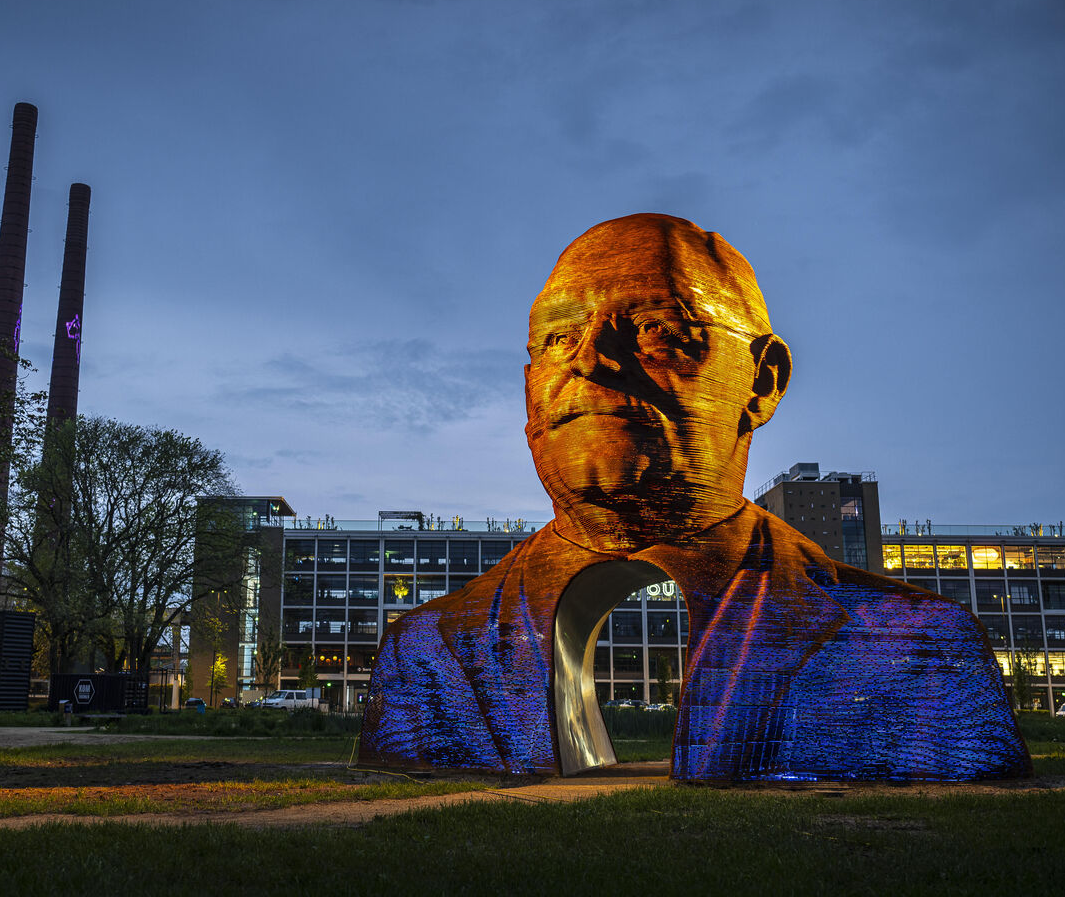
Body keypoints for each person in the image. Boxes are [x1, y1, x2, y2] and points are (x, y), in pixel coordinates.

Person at [358, 214, 1030, 781]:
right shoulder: (427, 649)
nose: (589, 360)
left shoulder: (915, 648)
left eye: (658, 329)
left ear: (762, 382)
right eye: (558, 337)